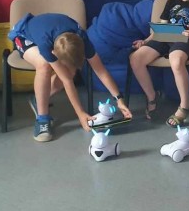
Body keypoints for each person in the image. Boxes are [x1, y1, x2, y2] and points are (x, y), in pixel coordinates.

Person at [8, 12, 132, 142]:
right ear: (53, 53)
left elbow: (101, 71)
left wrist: (119, 99)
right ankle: (42, 118)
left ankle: (39, 99)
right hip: (24, 36)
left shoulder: (82, 38)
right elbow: (66, 80)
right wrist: (80, 114)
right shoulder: (46, 45)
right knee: (44, 65)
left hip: (51, 33)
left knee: (70, 72)